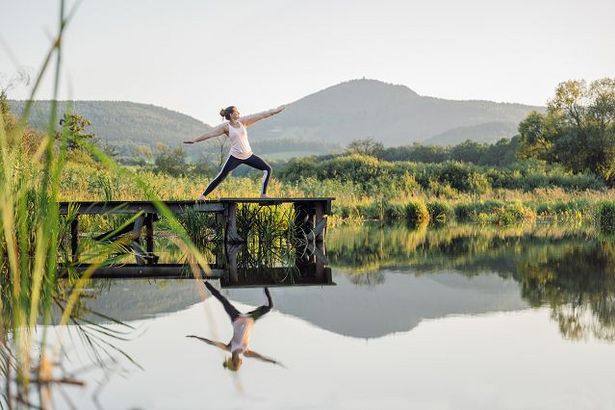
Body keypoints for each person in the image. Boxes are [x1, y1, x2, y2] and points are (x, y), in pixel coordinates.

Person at [184, 105, 285, 199]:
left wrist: (274, 112)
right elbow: (210, 134)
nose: (239, 113)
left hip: (248, 155)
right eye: (236, 112)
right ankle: (203, 196)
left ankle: (263, 195)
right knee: (221, 176)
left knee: (268, 169)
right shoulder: (226, 127)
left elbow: (260, 115)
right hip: (235, 157)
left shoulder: (243, 122)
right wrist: (195, 140)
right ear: (231, 114)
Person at [187, 281, 282, 371]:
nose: (240, 362)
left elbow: (212, 343)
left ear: (233, 361)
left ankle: (205, 281)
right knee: (269, 306)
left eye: (237, 363)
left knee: (222, 299)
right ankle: (264, 284)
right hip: (251, 319)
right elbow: (261, 357)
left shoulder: (229, 348)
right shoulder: (246, 353)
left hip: (236, 318)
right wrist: (273, 362)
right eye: (239, 363)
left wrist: (196, 337)